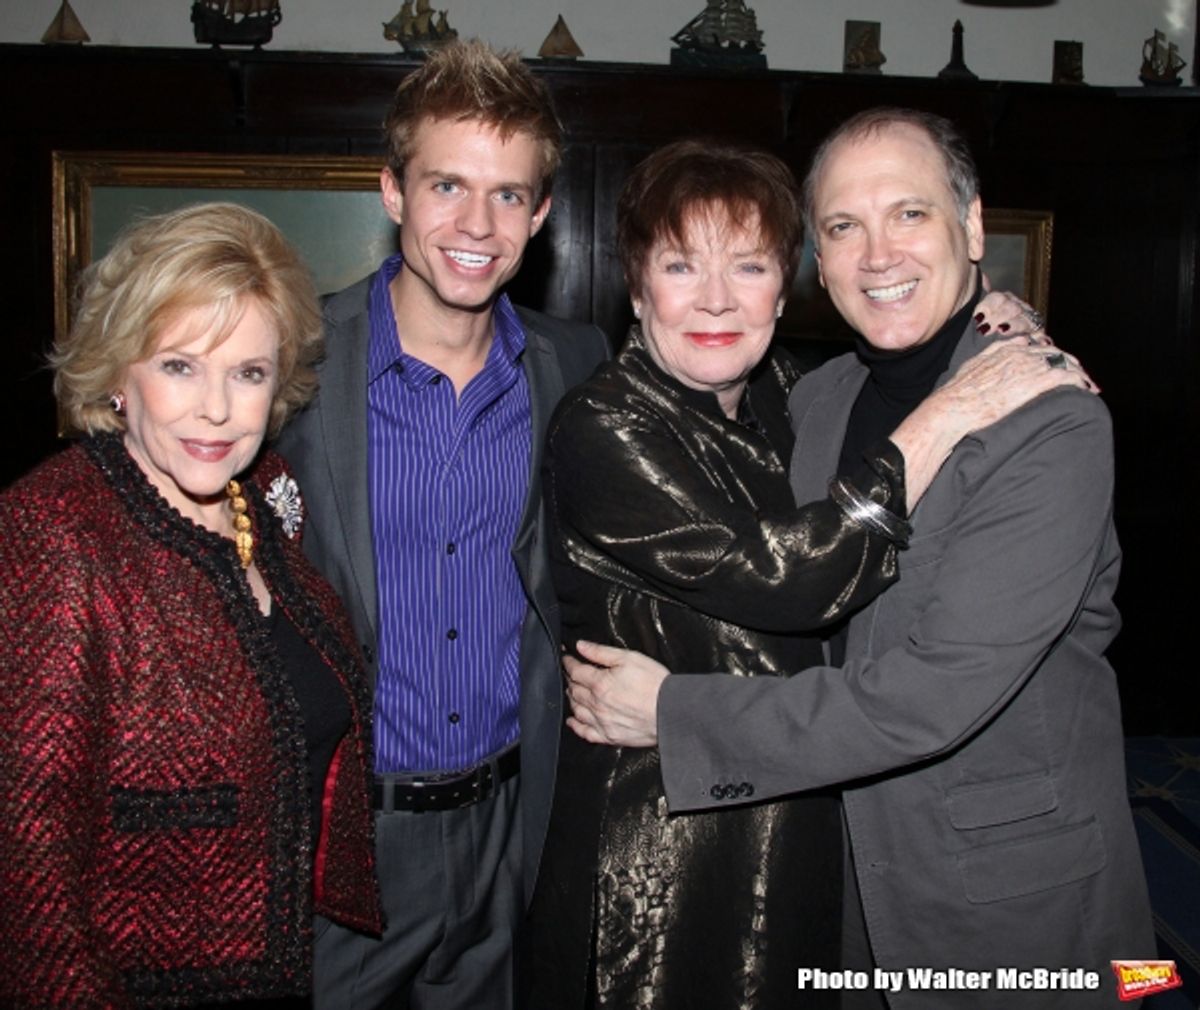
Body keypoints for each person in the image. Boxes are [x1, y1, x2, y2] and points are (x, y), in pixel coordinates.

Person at [564, 108, 1155, 1009]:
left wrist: (675, 715)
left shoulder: (1050, 423)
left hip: (1003, 898)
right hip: (832, 872)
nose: (878, 254)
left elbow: (928, 697)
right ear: (819, 262)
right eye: (844, 226)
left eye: (909, 214)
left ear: (972, 227)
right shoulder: (817, 396)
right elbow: (794, 579)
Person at [275, 40, 609, 1010]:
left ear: (541, 214)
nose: (476, 224)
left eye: (508, 195)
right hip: (345, 847)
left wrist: (970, 322)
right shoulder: (296, 363)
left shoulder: (576, 365)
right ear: (394, 191)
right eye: (447, 185)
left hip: (515, 828)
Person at [0, 202, 381, 1008]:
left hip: (289, 971)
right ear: (117, 375)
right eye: (179, 366)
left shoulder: (268, 498)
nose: (217, 408)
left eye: (249, 373)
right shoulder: (55, 530)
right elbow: (28, 857)